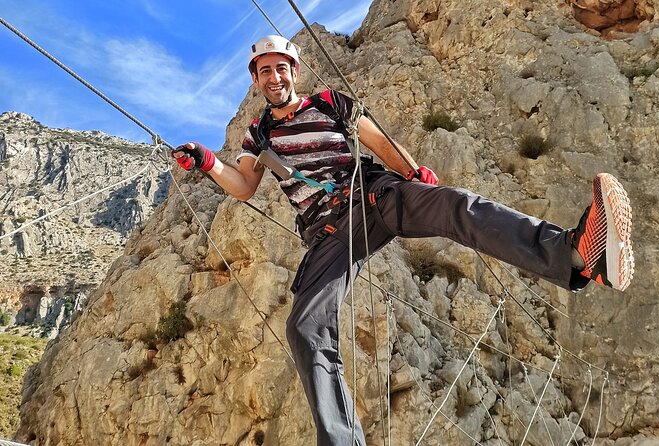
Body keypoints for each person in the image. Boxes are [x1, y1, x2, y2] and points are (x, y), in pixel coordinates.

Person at [171, 35, 634, 446]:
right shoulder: (259, 134)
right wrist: (208, 161)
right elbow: (244, 185)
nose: (274, 77)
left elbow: (378, 141)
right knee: (304, 328)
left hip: (372, 195)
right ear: (256, 79)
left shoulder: (331, 103)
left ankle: (577, 253)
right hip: (327, 232)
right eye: (265, 70)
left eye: (281, 67)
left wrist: (414, 174)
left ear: (295, 70)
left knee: (456, 207)